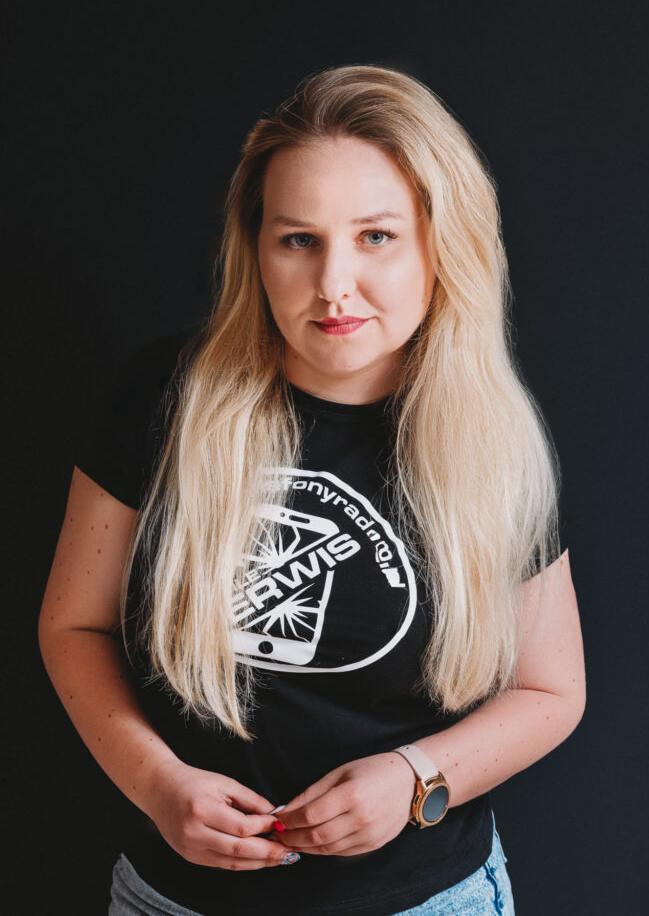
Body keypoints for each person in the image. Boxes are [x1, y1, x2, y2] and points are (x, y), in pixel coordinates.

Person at [38, 64, 586, 916]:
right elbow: (73, 623)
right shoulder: (163, 398)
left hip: (424, 901)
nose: (333, 284)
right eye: (298, 239)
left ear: (442, 243)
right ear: (254, 246)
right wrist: (159, 785)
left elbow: (552, 692)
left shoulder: (490, 442)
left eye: (375, 237)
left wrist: (414, 781)